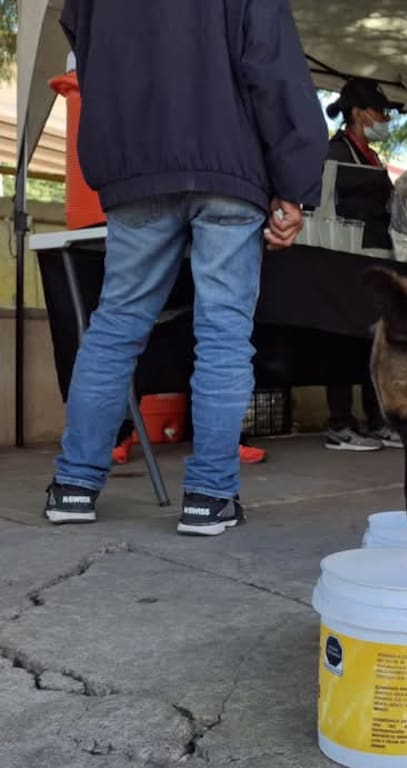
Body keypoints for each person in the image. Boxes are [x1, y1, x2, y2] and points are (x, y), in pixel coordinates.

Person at [45, 0, 327, 534]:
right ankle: (208, 497)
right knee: (222, 334)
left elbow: (86, 50)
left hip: (137, 169)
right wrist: (293, 186)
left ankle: (73, 486)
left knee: (115, 327)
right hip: (228, 168)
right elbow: (274, 70)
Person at [321, 78, 407, 451]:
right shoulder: (336, 151)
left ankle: (377, 419)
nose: (384, 119)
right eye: (379, 111)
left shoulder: (371, 156)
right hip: (341, 258)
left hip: (374, 258)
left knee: (373, 340)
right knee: (340, 340)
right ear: (357, 113)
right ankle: (339, 423)